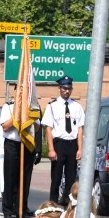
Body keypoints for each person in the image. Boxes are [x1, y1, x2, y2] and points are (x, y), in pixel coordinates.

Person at [42, 76, 84, 206]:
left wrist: (80, 148)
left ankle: (67, 202)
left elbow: (80, 129)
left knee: (71, 178)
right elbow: (48, 129)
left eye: (69, 88)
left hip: (72, 144)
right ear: (59, 88)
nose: (67, 91)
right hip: (59, 144)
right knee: (56, 177)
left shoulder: (77, 106)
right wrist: (51, 149)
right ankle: (52, 204)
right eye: (64, 88)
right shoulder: (52, 106)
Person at [0, 93, 39, 218]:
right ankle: (7, 210)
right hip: (12, 145)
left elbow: (37, 127)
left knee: (25, 178)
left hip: (26, 144)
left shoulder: (32, 107)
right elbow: (5, 127)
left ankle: (21, 208)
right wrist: (17, 116)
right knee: (10, 178)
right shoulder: (8, 107)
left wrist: (28, 116)